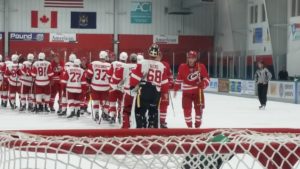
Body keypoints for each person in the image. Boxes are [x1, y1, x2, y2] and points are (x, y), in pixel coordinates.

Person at [130, 44, 169, 128]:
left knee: (140, 111)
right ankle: (152, 125)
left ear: (149, 52)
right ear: (158, 53)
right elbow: (165, 82)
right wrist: (165, 92)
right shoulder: (162, 66)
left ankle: (141, 126)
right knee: (153, 112)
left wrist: (132, 86)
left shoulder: (143, 63)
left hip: (144, 91)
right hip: (156, 93)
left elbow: (135, 76)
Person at [174, 51, 210, 128]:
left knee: (199, 110)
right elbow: (179, 79)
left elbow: (207, 78)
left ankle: (197, 126)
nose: (191, 60)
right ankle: (189, 127)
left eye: (192, 58)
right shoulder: (182, 67)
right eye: (189, 58)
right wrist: (175, 88)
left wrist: (203, 83)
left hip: (198, 92)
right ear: (187, 58)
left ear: (196, 58)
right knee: (186, 110)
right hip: (187, 93)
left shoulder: (201, 67)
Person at [111, 53, 140, 128]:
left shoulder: (125, 66)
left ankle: (126, 126)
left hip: (128, 92)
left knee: (126, 109)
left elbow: (116, 77)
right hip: (138, 93)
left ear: (130, 59)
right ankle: (139, 126)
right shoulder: (140, 66)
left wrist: (114, 85)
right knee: (138, 110)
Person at [87, 51, 111, 122]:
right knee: (105, 102)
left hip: (95, 86)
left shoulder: (93, 64)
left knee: (96, 101)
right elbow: (110, 76)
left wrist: (89, 82)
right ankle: (105, 113)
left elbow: (89, 75)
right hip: (105, 86)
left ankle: (96, 113)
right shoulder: (109, 65)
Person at [107, 52, 128, 124]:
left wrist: (111, 82)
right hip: (122, 87)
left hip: (113, 86)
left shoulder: (114, 63)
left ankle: (112, 116)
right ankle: (119, 114)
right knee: (121, 103)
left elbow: (108, 75)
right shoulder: (127, 66)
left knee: (112, 103)